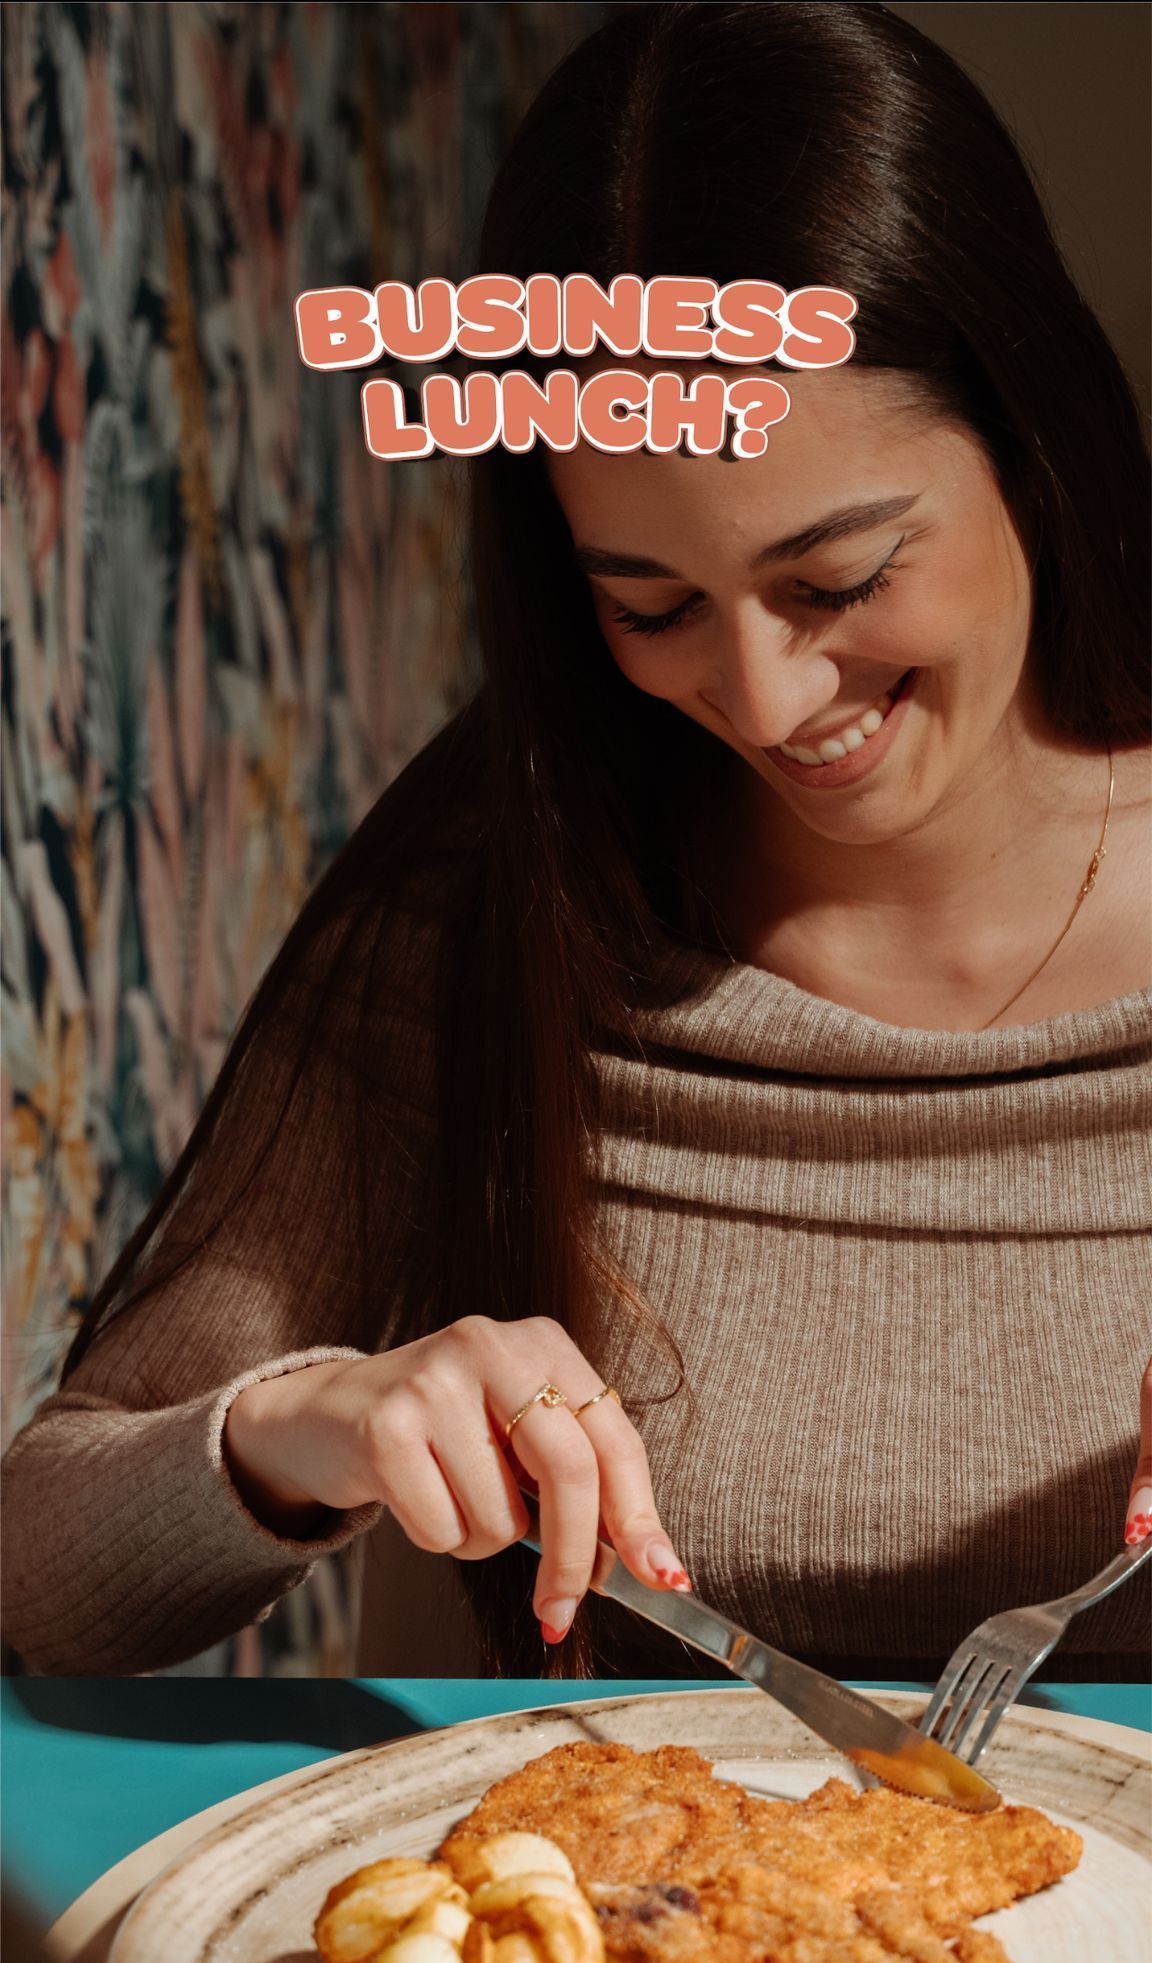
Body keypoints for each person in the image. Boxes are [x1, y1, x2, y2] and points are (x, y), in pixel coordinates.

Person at [3, 1, 1149, 1680]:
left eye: (839, 581)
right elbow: (36, 1569)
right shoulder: (511, 871)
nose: (765, 698)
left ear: (1029, 438)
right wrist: (309, 1425)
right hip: (633, 1929)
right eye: (653, 604)